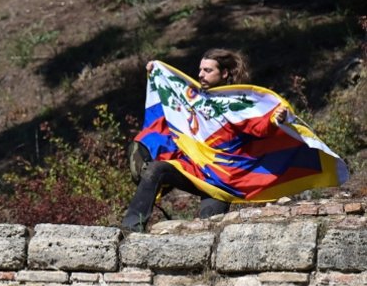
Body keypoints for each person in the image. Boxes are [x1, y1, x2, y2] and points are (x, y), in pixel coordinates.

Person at [122, 48, 288, 232]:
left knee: (208, 229)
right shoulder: (192, 97)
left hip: (221, 179)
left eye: (208, 71)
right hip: (193, 169)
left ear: (224, 73)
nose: (201, 75)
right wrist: (156, 72)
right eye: (200, 70)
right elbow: (169, 98)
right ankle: (130, 229)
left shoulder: (238, 102)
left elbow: (257, 126)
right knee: (155, 170)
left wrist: (274, 120)